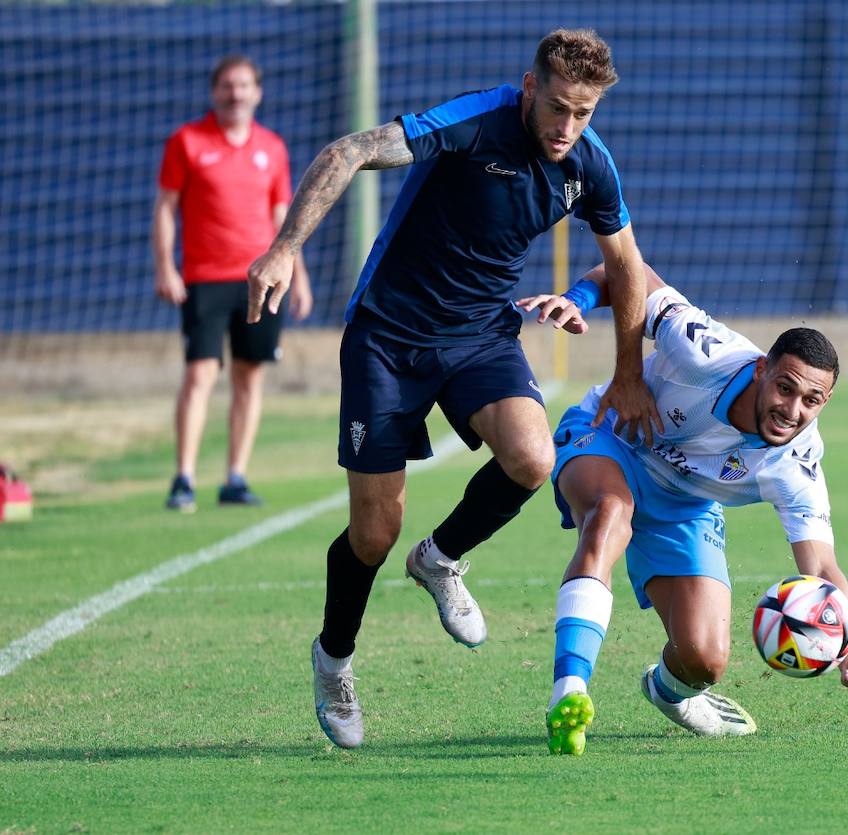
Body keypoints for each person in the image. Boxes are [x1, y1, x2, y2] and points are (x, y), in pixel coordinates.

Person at [245, 29, 659, 749]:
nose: (567, 127)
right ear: (530, 88)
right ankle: (333, 659)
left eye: (583, 114)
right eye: (558, 106)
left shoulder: (591, 167)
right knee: (374, 532)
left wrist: (627, 372)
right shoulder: (475, 122)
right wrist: (284, 248)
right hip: (389, 335)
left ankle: (440, 560)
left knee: (533, 459)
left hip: (479, 337)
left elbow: (628, 267)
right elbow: (350, 151)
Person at [517, 262, 848, 756]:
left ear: (826, 401)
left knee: (704, 660)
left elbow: (822, 571)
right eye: (785, 388)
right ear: (761, 369)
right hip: (610, 436)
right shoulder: (702, 349)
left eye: (812, 401)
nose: (792, 410)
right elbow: (629, 269)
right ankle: (570, 691)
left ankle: (669, 692)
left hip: (685, 504)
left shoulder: (797, 464)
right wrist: (577, 300)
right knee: (610, 513)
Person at [153, 54, 313, 513]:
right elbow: (166, 207)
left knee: (249, 376)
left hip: (259, 279)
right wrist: (166, 266)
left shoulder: (273, 147)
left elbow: (284, 218)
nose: (235, 93)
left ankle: (235, 478)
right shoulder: (187, 142)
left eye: (244, 85)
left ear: (257, 92)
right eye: (227, 85)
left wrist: (296, 275)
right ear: (214, 91)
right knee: (200, 373)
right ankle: (183, 478)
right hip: (204, 277)